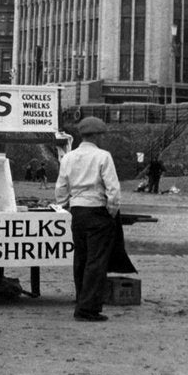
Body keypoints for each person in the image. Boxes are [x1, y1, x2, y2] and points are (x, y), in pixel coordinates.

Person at [55, 116, 120, 322]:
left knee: (81, 258)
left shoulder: (68, 157)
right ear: (97, 135)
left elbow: (61, 188)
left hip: (78, 211)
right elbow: (113, 189)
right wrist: (111, 210)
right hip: (97, 210)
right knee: (96, 261)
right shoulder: (103, 156)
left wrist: (67, 204)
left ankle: (80, 298)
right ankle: (88, 308)